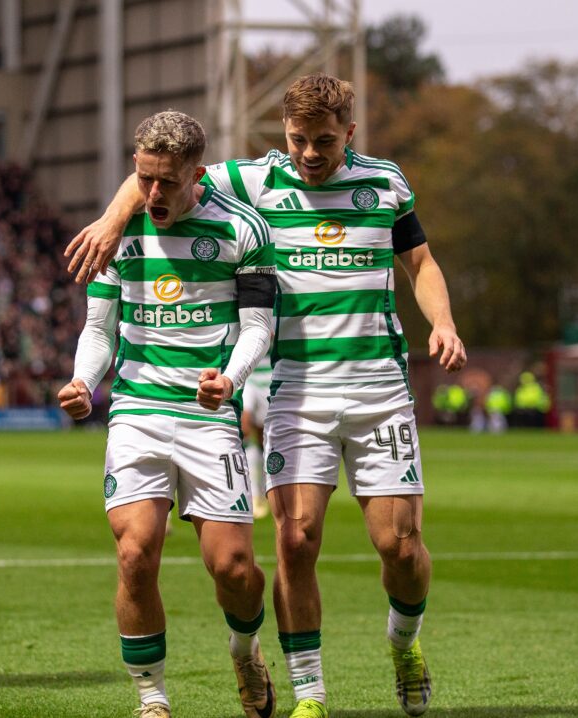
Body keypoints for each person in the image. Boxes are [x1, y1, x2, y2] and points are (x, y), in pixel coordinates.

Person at [65, 74, 466, 718]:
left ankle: (404, 643)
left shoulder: (385, 183)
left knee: (400, 546)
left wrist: (441, 322)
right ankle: (310, 695)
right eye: (299, 139)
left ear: (350, 135)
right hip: (296, 390)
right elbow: (163, 175)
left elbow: (419, 264)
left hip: (379, 389)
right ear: (284, 133)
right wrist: (113, 220)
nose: (310, 152)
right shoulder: (253, 182)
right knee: (296, 539)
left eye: (326, 141)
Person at [57, 110, 278, 718]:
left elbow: (260, 324)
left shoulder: (242, 228)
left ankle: (245, 649)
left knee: (234, 569)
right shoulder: (118, 232)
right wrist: (84, 380)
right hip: (137, 411)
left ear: (196, 174)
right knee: (135, 552)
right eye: (144, 178)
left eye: (167, 182)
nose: (153, 194)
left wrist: (230, 378)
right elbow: (98, 329)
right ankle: (152, 698)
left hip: (209, 416)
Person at [241, 356, 273, 519]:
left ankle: (263, 491)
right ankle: (252, 495)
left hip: (270, 375)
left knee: (265, 440)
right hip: (247, 376)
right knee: (244, 428)